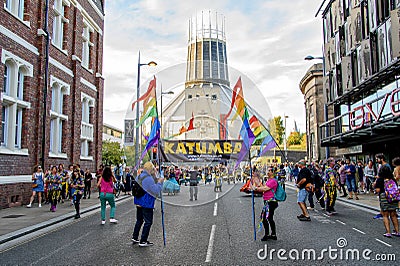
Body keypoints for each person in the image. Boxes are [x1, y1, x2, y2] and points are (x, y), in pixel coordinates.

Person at [132, 162, 164, 247]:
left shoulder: (140, 176)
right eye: (153, 169)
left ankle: (135, 237)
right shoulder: (149, 178)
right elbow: (155, 190)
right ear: (151, 169)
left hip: (138, 202)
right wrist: (160, 182)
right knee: (148, 222)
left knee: (139, 220)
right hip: (146, 203)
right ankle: (143, 240)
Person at [252, 168, 279, 241]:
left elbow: (265, 189)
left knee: (264, 218)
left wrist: (256, 189)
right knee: (269, 218)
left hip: (271, 202)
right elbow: (262, 187)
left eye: (270, 171)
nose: (268, 172)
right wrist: (256, 185)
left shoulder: (273, 181)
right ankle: (273, 234)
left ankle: (267, 234)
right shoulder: (269, 180)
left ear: (273, 173)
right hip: (268, 201)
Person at [374, 166, 400, 238]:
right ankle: (397, 231)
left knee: (385, 215)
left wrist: (374, 188)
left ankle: (388, 232)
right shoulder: (393, 179)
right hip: (393, 198)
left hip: (384, 197)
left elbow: (378, 190)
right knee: (393, 215)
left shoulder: (380, 180)